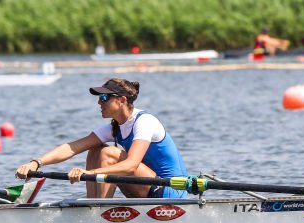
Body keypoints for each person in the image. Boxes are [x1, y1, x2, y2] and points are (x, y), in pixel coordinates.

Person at [15, 78, 188, 199]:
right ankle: (93, 205)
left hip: (170, 191)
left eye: (104, 98)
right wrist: (36, 163)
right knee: (95, 149)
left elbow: (131, 165)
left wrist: (90, 174)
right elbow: (72, 148)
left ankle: (99, 209)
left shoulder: (145, 122)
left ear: (121, 100)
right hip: (148, 186)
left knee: (108, 153)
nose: (99, 103)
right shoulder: (114, 127)